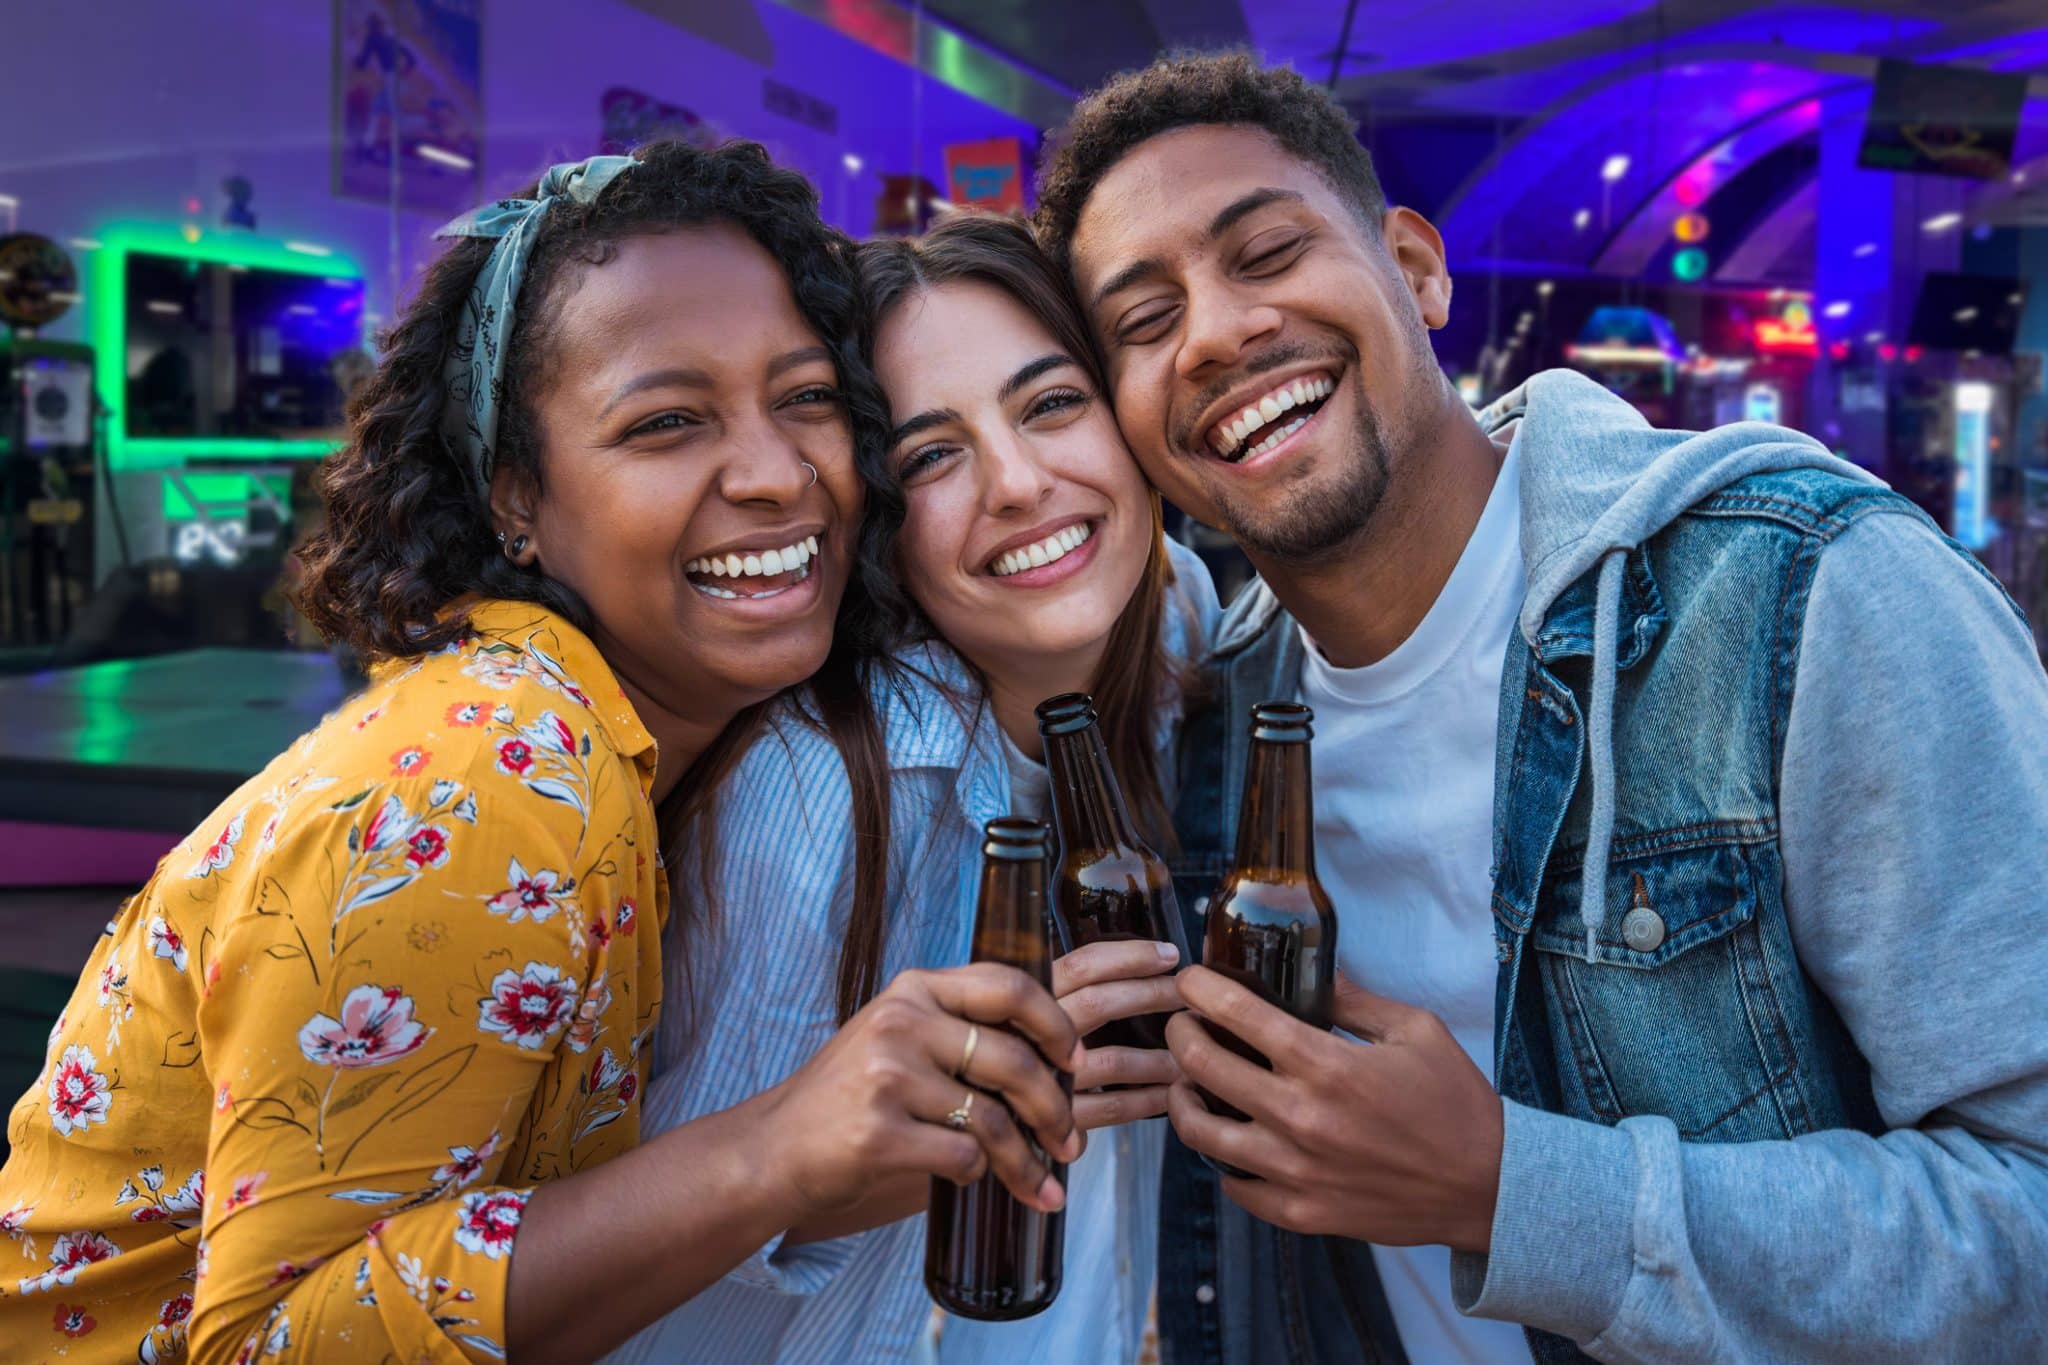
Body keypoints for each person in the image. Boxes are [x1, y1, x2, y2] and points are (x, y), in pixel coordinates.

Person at [1032, 50, 2048, 1364]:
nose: (1217, 333)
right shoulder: (1221, 716)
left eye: (1267, 252)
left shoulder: (1801, 594)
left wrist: (1510, 1191)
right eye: (1143, 322)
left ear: (1415, 268)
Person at [0, 141, 1082, 1364]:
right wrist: (771, 1148)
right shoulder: (491, 780)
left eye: (805, 398)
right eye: (665, 423)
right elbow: (266, 1344)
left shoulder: (643, 741)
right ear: (517, 498)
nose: (777, 475)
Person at [608, 212, 1219, 1364]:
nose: (1020, 484)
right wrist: (942, 1130)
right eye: (932, 456)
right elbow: (668, 1267)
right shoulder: (816, 794)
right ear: (876, 524)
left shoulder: (1176, 613)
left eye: (1051, 404)